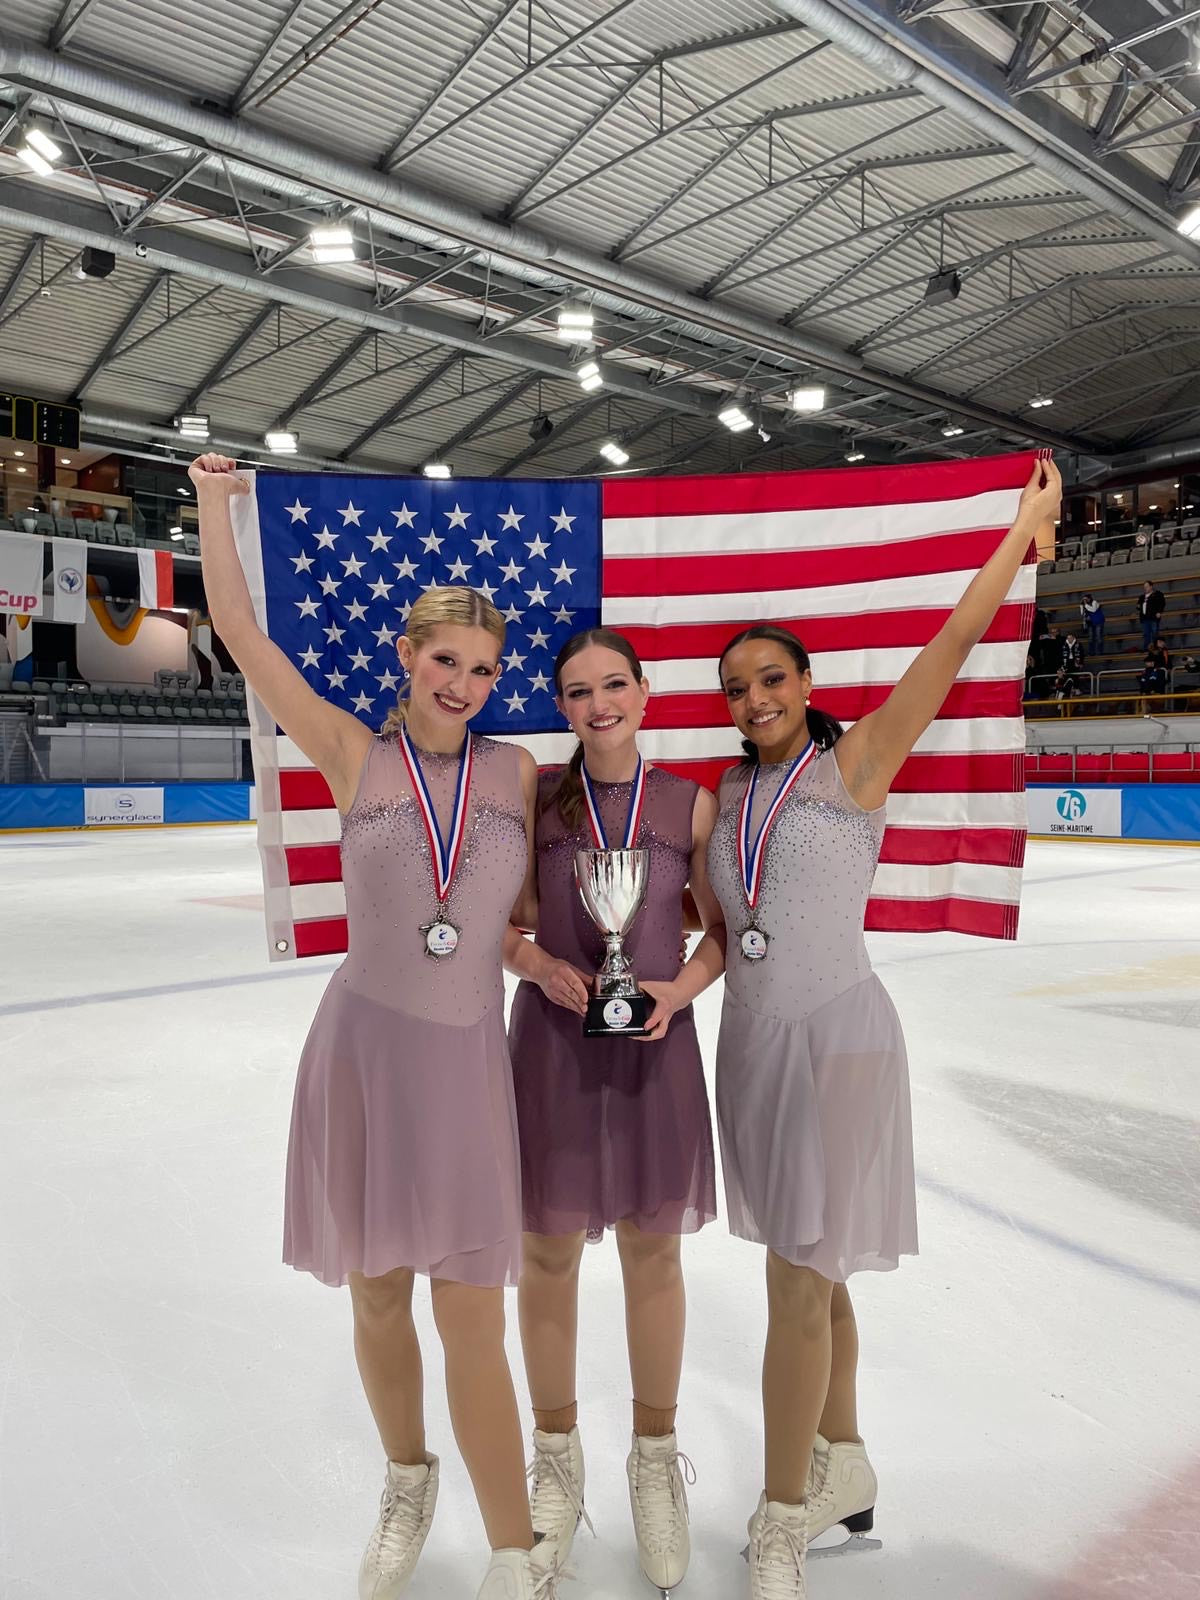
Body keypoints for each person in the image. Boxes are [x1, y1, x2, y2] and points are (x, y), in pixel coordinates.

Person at [631, 457, 1062, 1599]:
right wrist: (674, 988)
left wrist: (1019, 539)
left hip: (844, 1039)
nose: (754, 697)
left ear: (805, 678)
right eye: (735, 687)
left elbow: (950, 647)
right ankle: (847, 1461)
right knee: (817, 1280)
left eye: (770, 678)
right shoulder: (724, 802)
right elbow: (723, 933)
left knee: (796, 1280)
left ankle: (781, 1518)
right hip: (755, 1046)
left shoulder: (858, 759)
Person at [188, 453, 561, 1600]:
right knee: (377, 1292)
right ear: (406, 656)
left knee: (471, 1319)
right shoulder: (354, 751)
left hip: (462, 1067)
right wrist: (214, 504)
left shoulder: (520, 774)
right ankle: (407, 1479)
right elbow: (247, 640)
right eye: (446, 659)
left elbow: (532, 918)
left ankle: (513, 1553)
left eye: (486, 669)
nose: (465, 682)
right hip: (362, 1051)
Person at [503, 627, 724, 1596]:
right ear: (562, 704)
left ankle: (652, 1459)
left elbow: (718, 936)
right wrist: (542, 966)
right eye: (579, 691)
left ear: (645, 690)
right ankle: (555, 1459)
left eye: (614, 685)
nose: (600, 705)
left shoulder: (690, 803)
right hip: (550, 1045)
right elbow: (505, 925)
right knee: (546, 1252)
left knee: (654, 1249)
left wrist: (677, 995)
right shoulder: (534, 797)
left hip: (654, 1044)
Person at [1137, 580, 1166, 649]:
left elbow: (1162, 603)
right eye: (1144, 587)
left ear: (1151, 586)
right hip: (1144, 618)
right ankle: (1147, 648)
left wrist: (1159, 612)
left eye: (1146, 586)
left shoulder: (1157, 594)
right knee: (1146, 634)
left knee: (1154, 634)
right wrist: (1138, 607)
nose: (1145, 588)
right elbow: (1138, 606)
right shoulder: (1142, 597)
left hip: (1153, 617)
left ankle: (1155, 648)